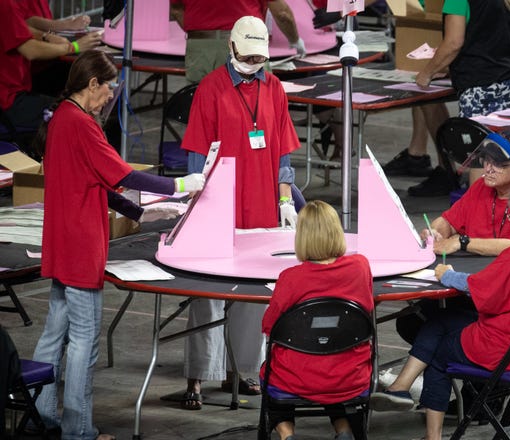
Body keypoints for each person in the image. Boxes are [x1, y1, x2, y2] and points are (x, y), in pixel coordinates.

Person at [30, 50, 205, 440]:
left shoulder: (61, 118)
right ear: (92, 83)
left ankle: (40, 416)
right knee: (84, 344)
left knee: (53, 336)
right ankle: (79, 431)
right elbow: (124, 174)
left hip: (60, 243)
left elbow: (95, 182)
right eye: (108, 86)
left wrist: (139, 215)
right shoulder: (82, 125)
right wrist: (180, 185)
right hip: (80, 249)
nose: (111, 94)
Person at [371, 179, 510, 440]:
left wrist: (447, 274)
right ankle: (400, 386)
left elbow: (480, 288)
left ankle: (432, 436)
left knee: (440, 351)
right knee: (443, 319)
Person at [178, 15, 301, 410]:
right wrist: (196, 209)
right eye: (247, 56)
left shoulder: (275, 86)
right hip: (219, 206)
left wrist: (285, 198)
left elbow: (283, 149)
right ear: (230, 48)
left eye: (260, 58)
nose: (253, 63)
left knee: (252, 294)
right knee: (207, 295)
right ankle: (198, 376)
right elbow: (196, 158)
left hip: (263, 204)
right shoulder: (210, 90)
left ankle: (246, 369)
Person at [393, 0, 510, 197]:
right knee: (508, 151)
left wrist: (427, 73)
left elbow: (453, 43)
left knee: (480, 157)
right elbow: (490, 35)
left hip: (481, 81)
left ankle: (478, 217)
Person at [261, 200, 374, 440]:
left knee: (280, 370)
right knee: (331, 360)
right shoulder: (361, 266)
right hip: (349, 377)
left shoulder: (291, 278)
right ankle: (343, 428)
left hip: (298, 378)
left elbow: (269, 327)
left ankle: (285, 433)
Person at [0, 0, 102, 136]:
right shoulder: (6, 4)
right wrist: (73, 47)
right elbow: (30, 50)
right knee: (78, 111)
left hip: (14, 92)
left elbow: (19, 26)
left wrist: (46, 36)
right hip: (9, 102)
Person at [424, 130, 510, 257]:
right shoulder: (481, 185)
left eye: (498, 164)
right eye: (486, 161)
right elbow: (450, 221)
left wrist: (462, 242)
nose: (488, 169)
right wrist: (435, 233)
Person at [170, 0, 305, 85]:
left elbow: (176, 10)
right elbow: (282, 14)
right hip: (245, 45)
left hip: (199, 47)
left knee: (203, 107)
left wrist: (201, 34)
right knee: (252, 107)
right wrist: (295, 40)